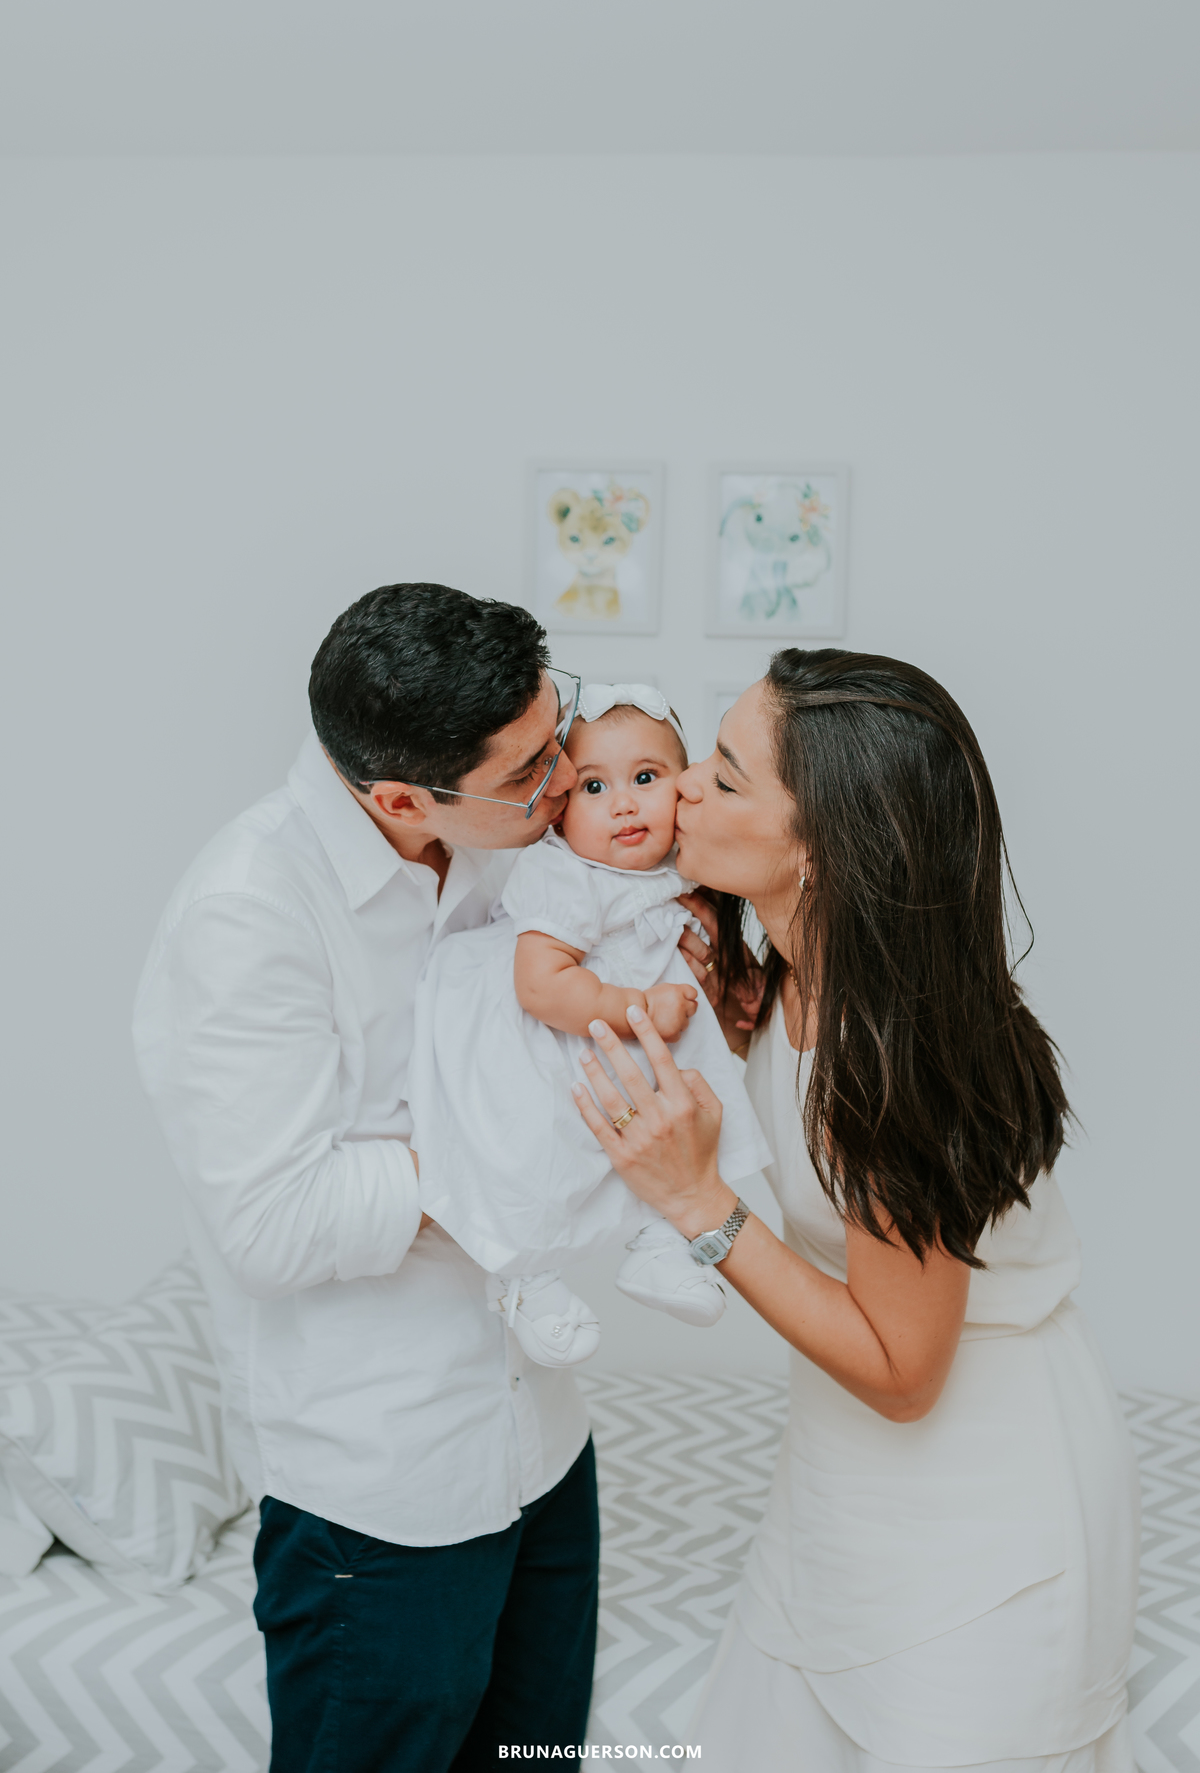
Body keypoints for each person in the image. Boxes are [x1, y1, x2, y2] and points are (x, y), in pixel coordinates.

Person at [132, 584, 710, 1771]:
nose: (565, 778)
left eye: (566, 726)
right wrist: (518, 1142)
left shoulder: (503, 830)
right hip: (384, 1492)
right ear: (401, 798)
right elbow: (273, 1222)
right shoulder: (251, 915)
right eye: (531, 773)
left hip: (542, 1443)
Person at [571, 649, 1140, 1771]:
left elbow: (902, 1371)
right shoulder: (790, 970)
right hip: (838, 1484)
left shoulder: (897, 1060)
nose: (681, 784)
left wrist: (705, 1206)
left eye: (725, 779)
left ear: (822, 853)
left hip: (985, 1506)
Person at [409, 683, 770, 1368]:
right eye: (595, 788)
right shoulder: (563, 875)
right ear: (558, 814)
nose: (625, 803)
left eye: (645, 778)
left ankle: (662, 1246)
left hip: (625, 1042)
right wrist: (639, 1006)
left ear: (684, 787)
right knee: (535, 1156)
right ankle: (525, 1277)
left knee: (691, 1117)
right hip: (548, 1038)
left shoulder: (675, 868)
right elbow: (542, 985)